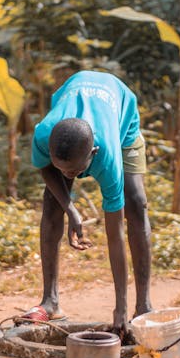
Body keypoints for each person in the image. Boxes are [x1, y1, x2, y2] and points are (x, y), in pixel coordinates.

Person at [21, 70, 153, 337]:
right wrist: (70, 207)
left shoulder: (108, 157)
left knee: (136, 203)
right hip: (71, 112)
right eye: (64, 169)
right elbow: (46, 169)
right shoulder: (44, 133)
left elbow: (114, 235)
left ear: (93, 154)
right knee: (51, 204)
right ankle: (51, 301)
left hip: (122, 115)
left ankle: (142, 305)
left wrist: (120, 310)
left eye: (74, 171)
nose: (70, 176)